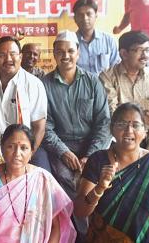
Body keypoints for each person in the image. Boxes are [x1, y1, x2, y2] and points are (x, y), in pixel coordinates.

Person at [74, 103, 149, 243]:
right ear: (112, 129)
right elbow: (79, 211)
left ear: (144, 131)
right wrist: (99, 188)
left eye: (135, 125)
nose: (129, 130)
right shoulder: (98, 160)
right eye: (122, 124)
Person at [42, 30, 111, 240]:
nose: (66, 56)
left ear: (78, 53)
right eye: (60, 51)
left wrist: (90, 155)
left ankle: (100, 229)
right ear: (54, 54)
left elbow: (104, 123)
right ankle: (79, 233)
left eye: (70, 51)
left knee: (102, 178)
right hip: (61, 148)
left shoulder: (93, 82)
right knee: (69, 181)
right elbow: (44, 127)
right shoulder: (44, 85)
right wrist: (64, 152)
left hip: (93, 147)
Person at [0, 124, 76, 243]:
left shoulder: (42, 178)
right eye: (11, 146)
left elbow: (56, 227)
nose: (17, 153)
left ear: (31, 152)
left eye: (24, 148)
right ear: (2, 149)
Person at [0, 36, 50, 171]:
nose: (8, 59)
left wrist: (28, 154)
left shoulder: (34, 84)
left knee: (42, 176)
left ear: (20, 56)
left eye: (13, 54)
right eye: (2, 55)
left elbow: (39, 127)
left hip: (28, 147)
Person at [100, 31, 149, 152]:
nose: (145, 55)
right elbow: (113, 115)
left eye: (147, 50)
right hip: (121, 141)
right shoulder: (107, 77)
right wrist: (140, 119)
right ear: (124, 53)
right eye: (139, 50)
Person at [73, 0, 120, 75]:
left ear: (96, 16)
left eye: (89, 14)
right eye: (80, 15)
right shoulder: (71, 42)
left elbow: (116, 68)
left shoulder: (108, 40)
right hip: (80, 86)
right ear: (75, 19)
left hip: (105, 86)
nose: (85, 18)